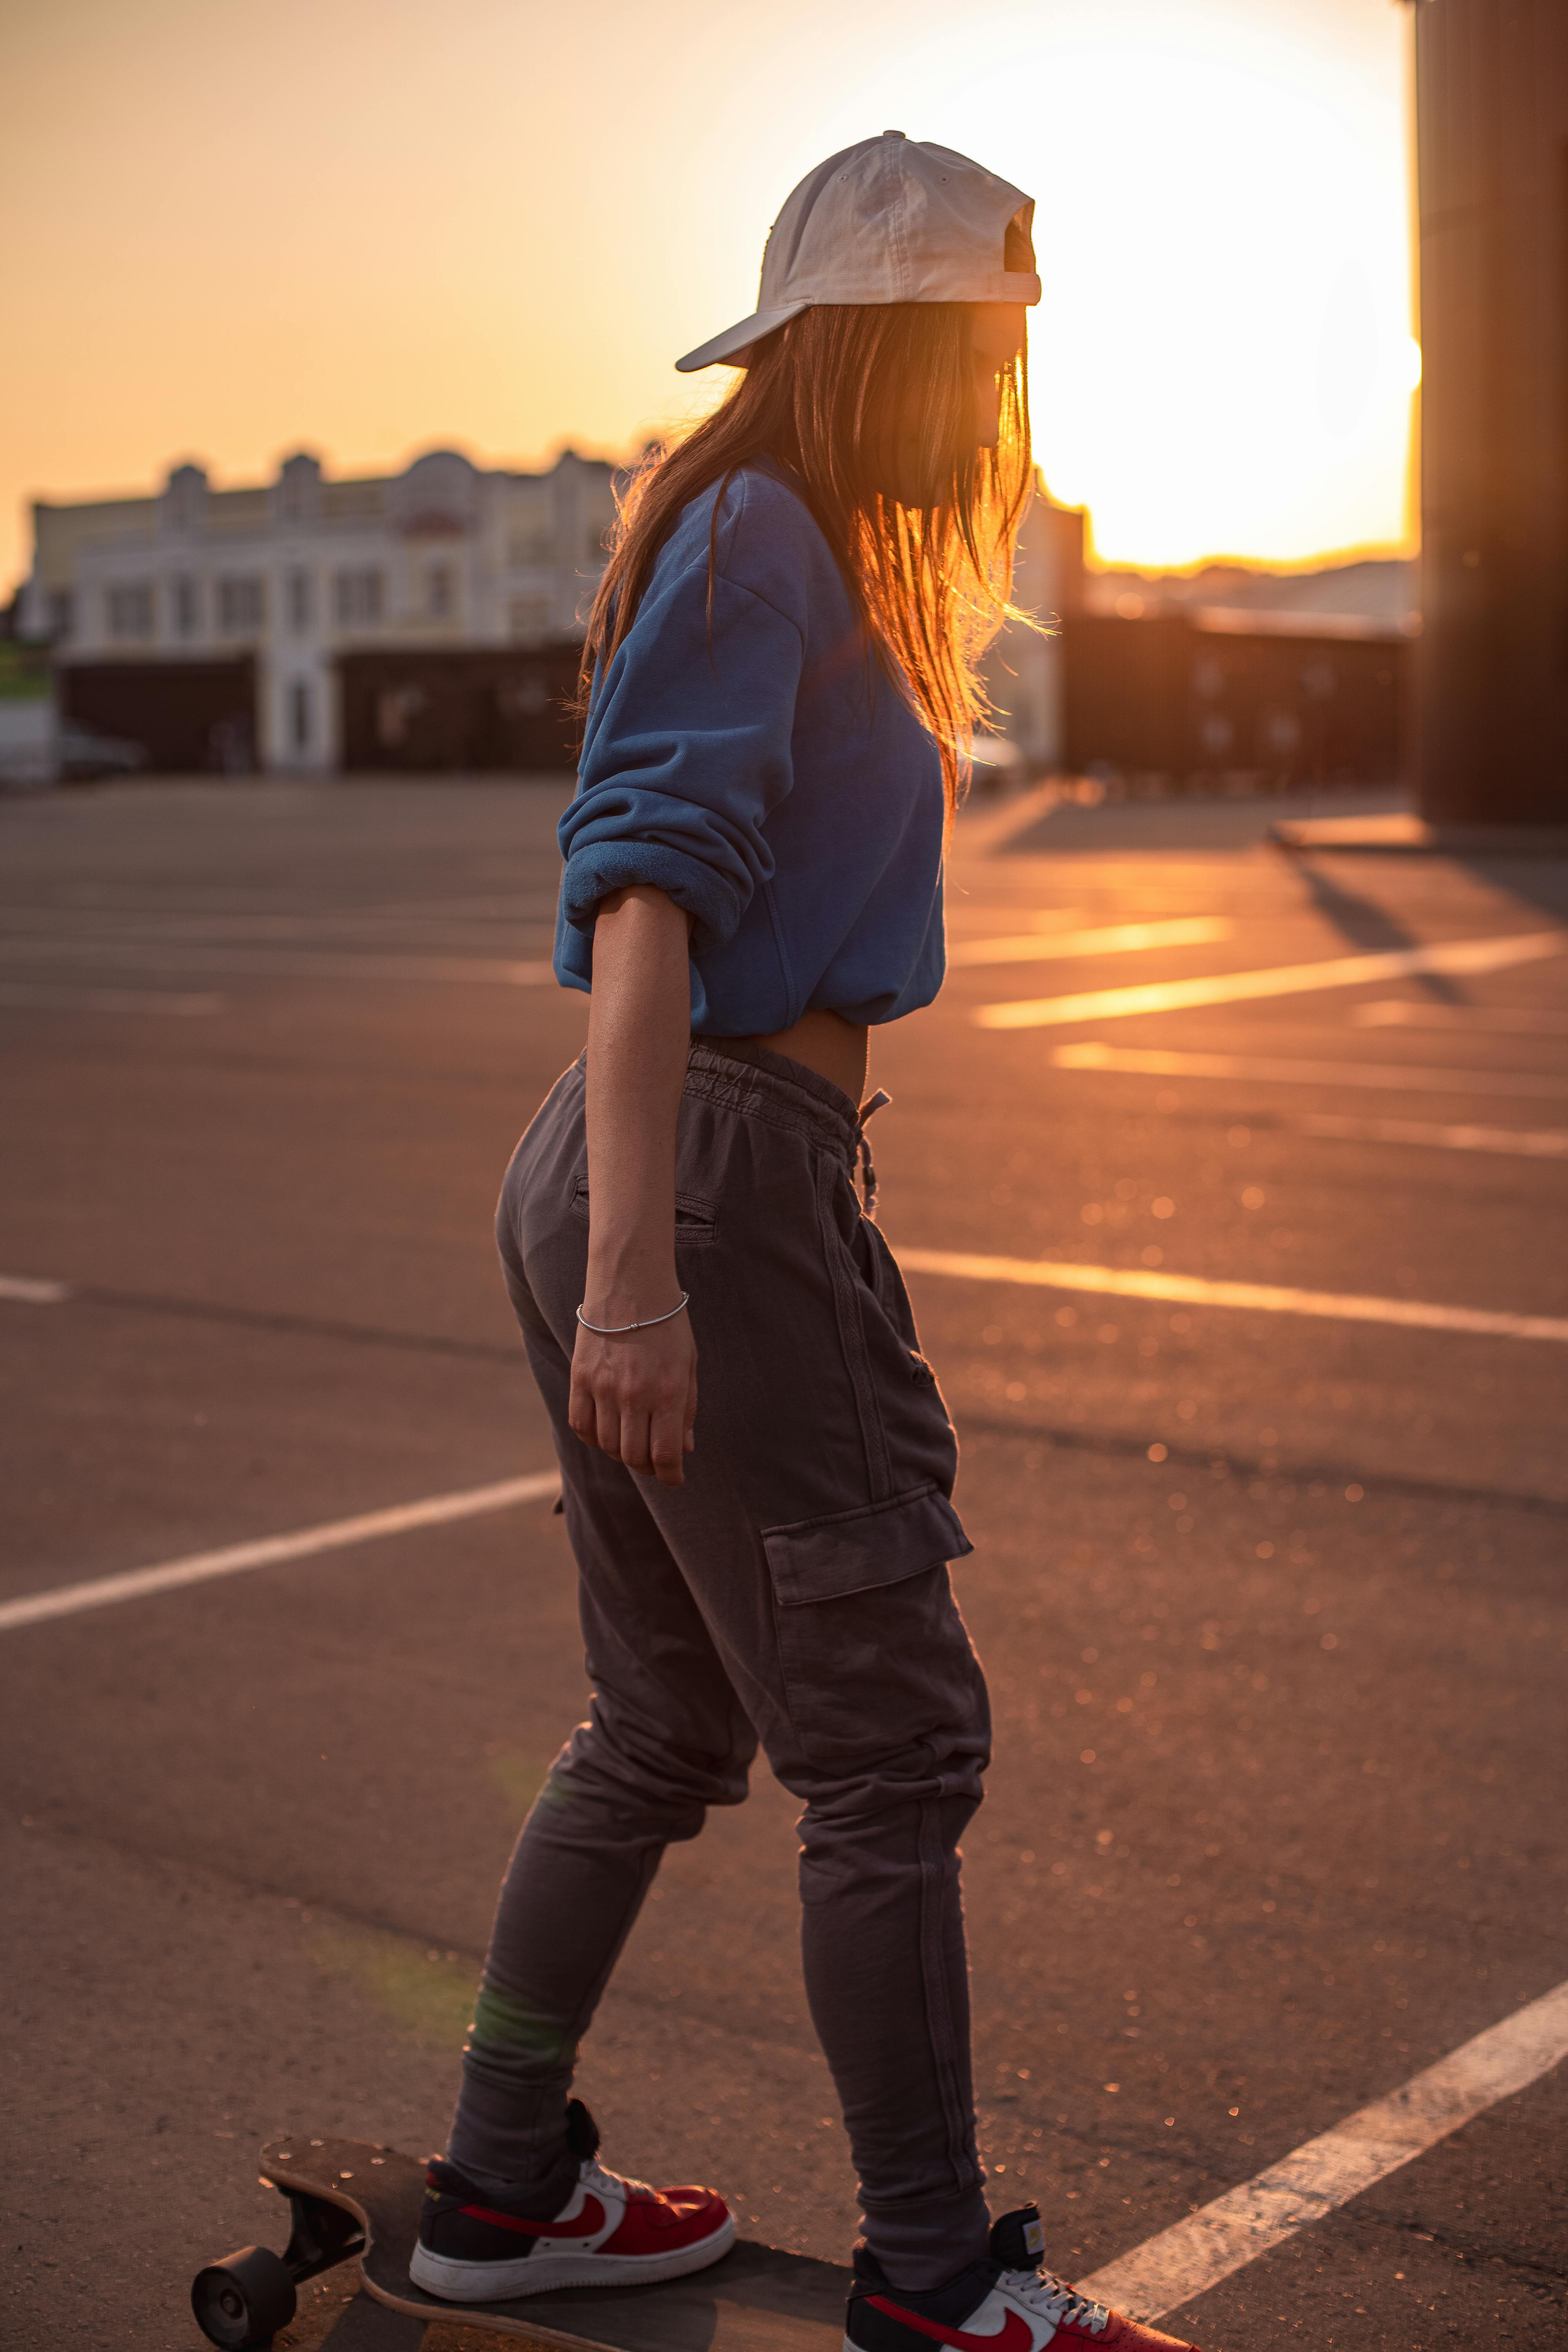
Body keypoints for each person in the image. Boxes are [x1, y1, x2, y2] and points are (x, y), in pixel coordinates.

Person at [412, 131, 1198, 2352]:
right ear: (893, 344)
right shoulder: (765, 533)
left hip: (663, 1164)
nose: (1005, 405)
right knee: (891, 1749)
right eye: (984, 352)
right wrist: (651, 1274)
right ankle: (941, 2284)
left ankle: (495, 2190)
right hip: (710, 1177)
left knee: (660, 1726)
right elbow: (644, 901)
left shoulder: (791, 534)